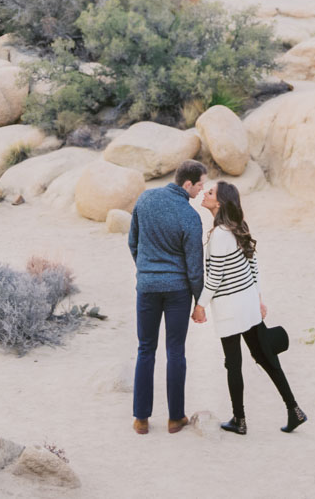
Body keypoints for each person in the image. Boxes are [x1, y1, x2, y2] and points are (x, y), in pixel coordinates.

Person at [192, 180, 307, 435]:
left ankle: (239, 420)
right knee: (266, 357)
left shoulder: (220, 234)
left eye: (210, 192)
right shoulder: (237, 227)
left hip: (231, 309)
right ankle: (294, 409)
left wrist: (200, 305)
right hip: (247, 305)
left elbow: (215, 277)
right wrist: (258, 298)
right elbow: (253, 265)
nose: (205, 193)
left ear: (219, 202)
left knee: (233, 364)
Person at [128, 158, 207, 435]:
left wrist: (146, 269)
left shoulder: (145, 199)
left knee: (145, 349)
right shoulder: (190, 216)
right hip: (177, 291)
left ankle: (141, 419)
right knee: (175, 351)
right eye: (199, 185)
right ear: (187, 184)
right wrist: (200, 300)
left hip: (147, 287)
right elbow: (195, 266)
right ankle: (175, 419)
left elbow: (132, 241)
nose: (201, 190)